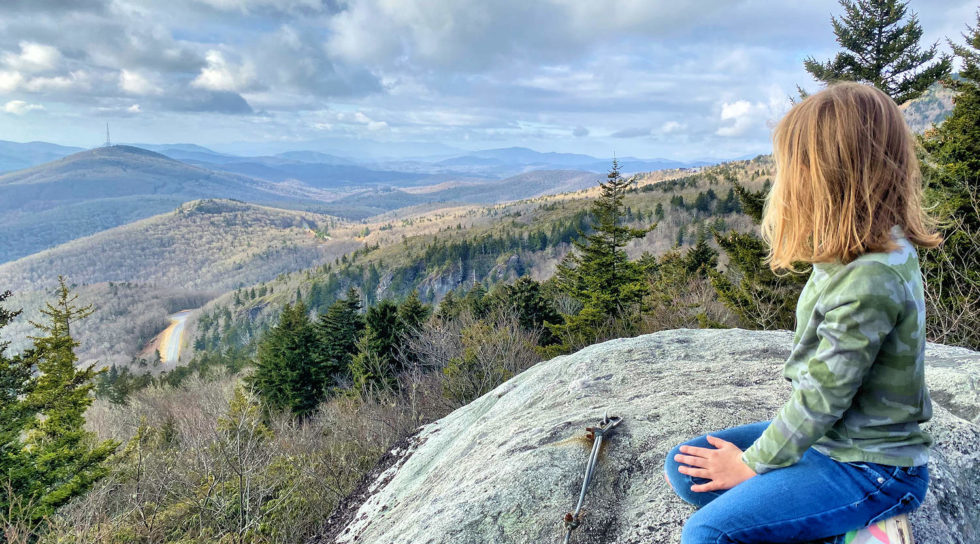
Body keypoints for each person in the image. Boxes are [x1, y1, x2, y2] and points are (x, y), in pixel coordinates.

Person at [662, 81, 942, 543]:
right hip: (833, 441)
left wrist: (752, 464)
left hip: (874, 468)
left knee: (706, 534)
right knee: (686, 464)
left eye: (792, 165)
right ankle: (824, 523)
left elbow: (822, 399)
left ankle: (860, 527)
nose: (782, 179)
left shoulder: (870, 279)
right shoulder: (855, 249)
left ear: (830, 174)